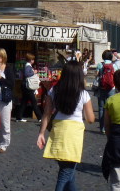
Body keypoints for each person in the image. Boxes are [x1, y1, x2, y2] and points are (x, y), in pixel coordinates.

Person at [36, 60, 95, 191]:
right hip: (74, 133)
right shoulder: (83, 94)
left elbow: (46, 114)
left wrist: (41, 133)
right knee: (66, 173)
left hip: (58, 130)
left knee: (68, 171)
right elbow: (91, 119)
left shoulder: (54, 90)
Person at [17, 52, 43, 123]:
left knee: (24, 102)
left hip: (25, 86)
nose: (33, 61)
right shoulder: (28, 66)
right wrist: (34, 72)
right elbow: (26, 74)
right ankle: (40, 117)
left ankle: (18, 117)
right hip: (28, 87)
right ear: (30, 60)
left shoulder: (26, 65)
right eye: (33, 59)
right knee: (34, 102)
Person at [96, 49, 116, 135]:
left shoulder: (100, 64)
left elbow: (97, 75)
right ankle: (110, 127)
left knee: (101, 108)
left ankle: (102, 128)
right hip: (111, 88)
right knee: (111, 107)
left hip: (101, 88)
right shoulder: (114, 65)